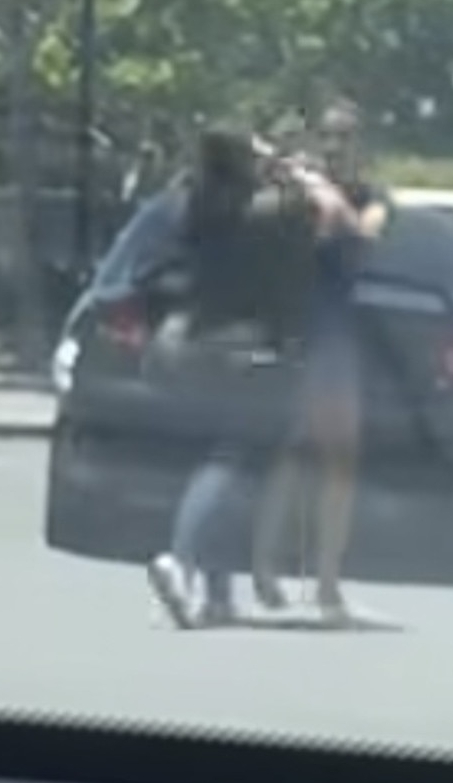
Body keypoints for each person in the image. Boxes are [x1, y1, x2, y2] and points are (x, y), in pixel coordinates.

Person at [146, 124, 322, 627]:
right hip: (245, 348)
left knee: (215, 456)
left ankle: (218, 595)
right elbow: (315, 213)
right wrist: (292, 170)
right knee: (233, 461)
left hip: (188, 343)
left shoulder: (194, 206)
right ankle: (181, 564)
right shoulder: (269, 212)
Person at [251, 99, 391, 625]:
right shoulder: (295, 189)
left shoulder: (370, 197)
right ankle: (265, 567)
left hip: (333, 334)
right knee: (286, 454)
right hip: (289, 332)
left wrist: (327, 196)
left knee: (337, 462)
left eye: (346, 136)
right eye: (328, 135)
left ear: (363, 145)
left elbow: (364, 238)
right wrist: (290, 179)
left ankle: (327, 582)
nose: (335, 146)